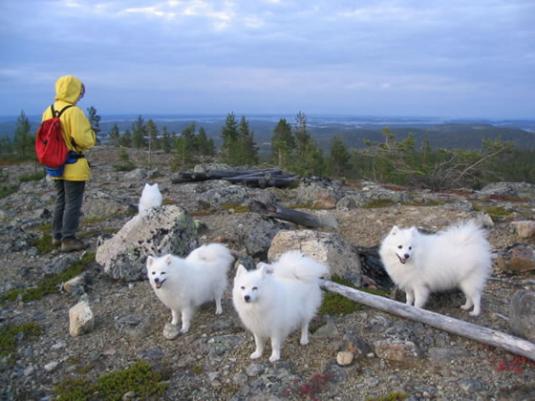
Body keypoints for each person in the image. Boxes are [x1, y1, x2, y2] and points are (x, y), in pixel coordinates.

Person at [42, 75, 96, 252]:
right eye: (80, 91)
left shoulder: (48, 110)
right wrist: (92, 137)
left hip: (54, 163)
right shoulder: (74, 112)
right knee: (73, 202)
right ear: (74, 90)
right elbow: (83, 139)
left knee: (61, 199)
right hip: (73, 164)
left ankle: (57, 236)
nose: (80, 95)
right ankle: (69, 239)